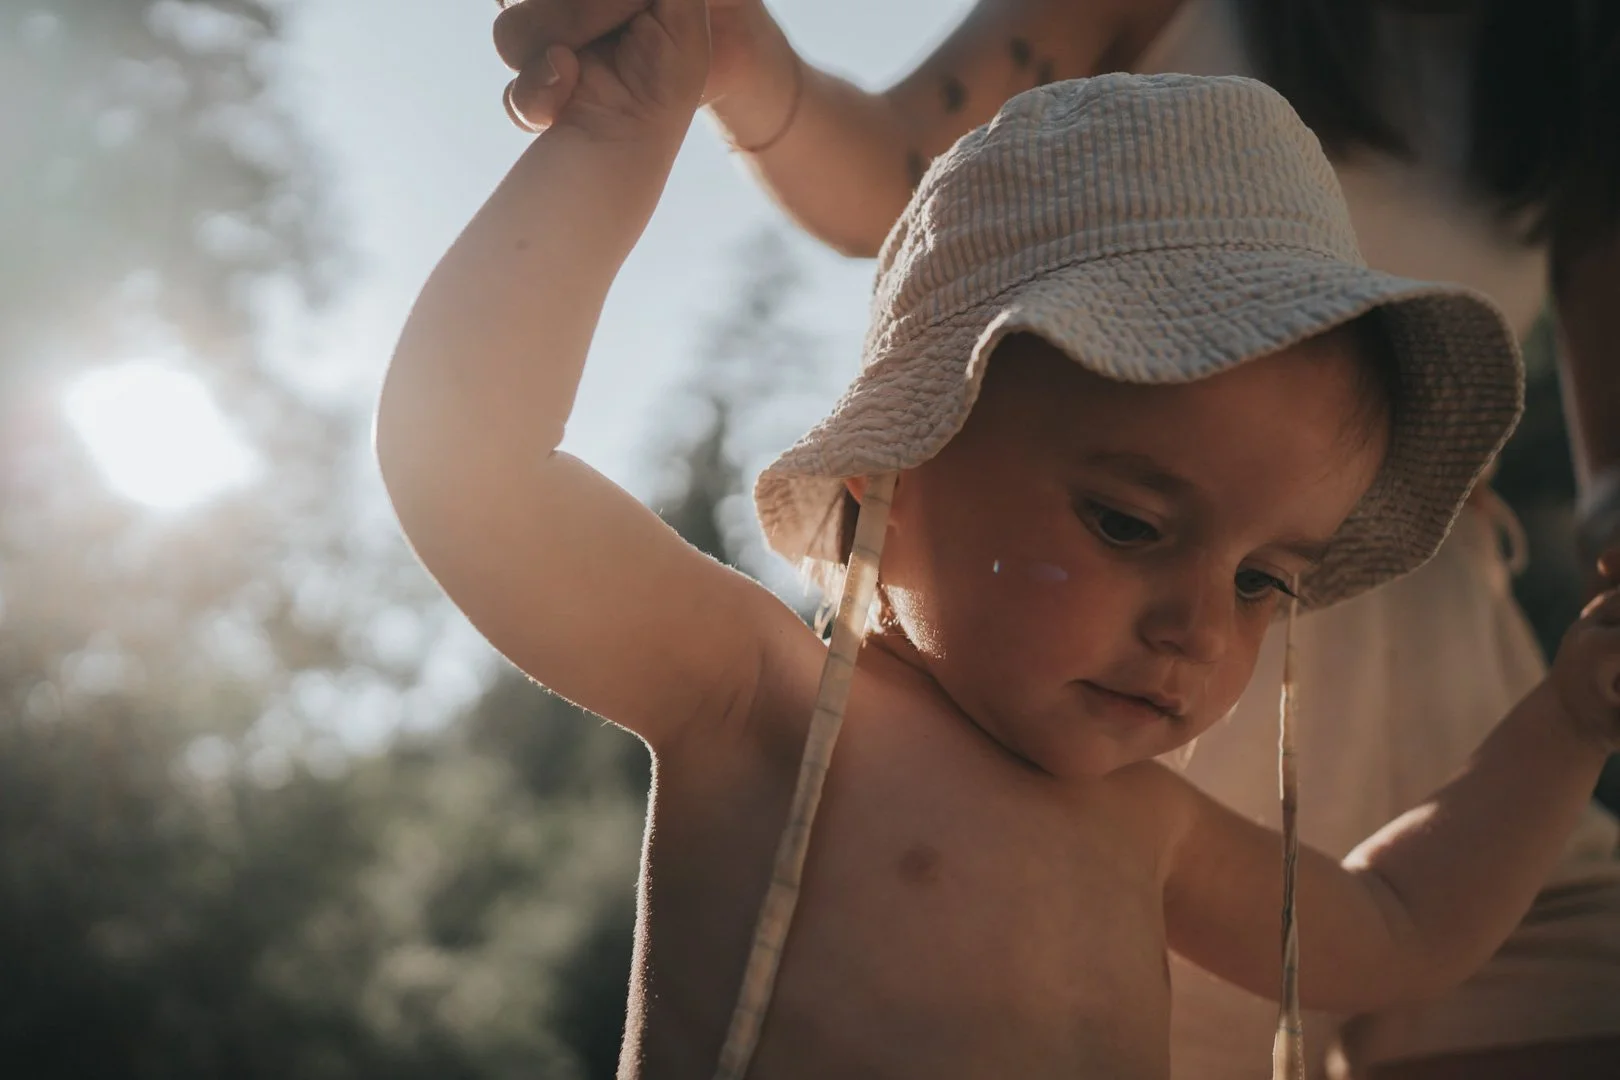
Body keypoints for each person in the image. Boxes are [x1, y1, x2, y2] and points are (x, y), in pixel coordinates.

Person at [380, 4, 1620, 1077]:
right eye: (1129, 521)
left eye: (1262, 582)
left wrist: (1568, 724)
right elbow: (469, 470)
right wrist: (609, 141)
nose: (1198, 629)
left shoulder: (1152, 825)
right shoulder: (760, 703)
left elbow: (1397, 926)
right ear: (892, 466)